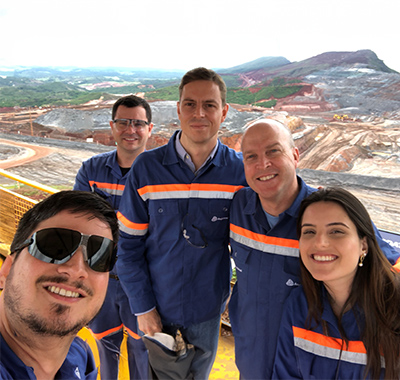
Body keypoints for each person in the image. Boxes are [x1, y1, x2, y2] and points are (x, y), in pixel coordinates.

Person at [228, 119, 400, 379]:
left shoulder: (325, 213)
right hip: (251, 359)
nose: (263, 164)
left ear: (295, 155)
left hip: (315, 358)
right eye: (251, 156)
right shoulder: (238, 208)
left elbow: (386, 261)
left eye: (274, 151)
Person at [116, 67, 247, 379]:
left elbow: (286, 191)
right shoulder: (147, 168)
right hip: (156, 308)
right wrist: (143, 308)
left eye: (209, 105)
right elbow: (128, 246)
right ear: (178, 109)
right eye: (190, 104)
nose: (199, 113)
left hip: (207, 310)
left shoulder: (238, 174)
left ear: (224, 112)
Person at [272, 187, 400, 379]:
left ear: (363, 245)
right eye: (309, 232)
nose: (320, 242)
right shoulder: (299, 306)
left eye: (336, 231)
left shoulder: (394, 307)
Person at [74, 95, 153, 379]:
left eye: (138, 123)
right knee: (105, 346)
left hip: (143, 285)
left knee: (141, 351)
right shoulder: (91, 171)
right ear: (112, 126)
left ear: (150, 129)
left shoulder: (160, 177)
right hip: (102, 280)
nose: (130, 130)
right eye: (123, 122)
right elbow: (80, 222)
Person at [0, 190, 119, 380]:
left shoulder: (81, 355)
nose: (76, 269)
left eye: (100, 255)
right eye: (54, 246)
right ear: (7, 269)